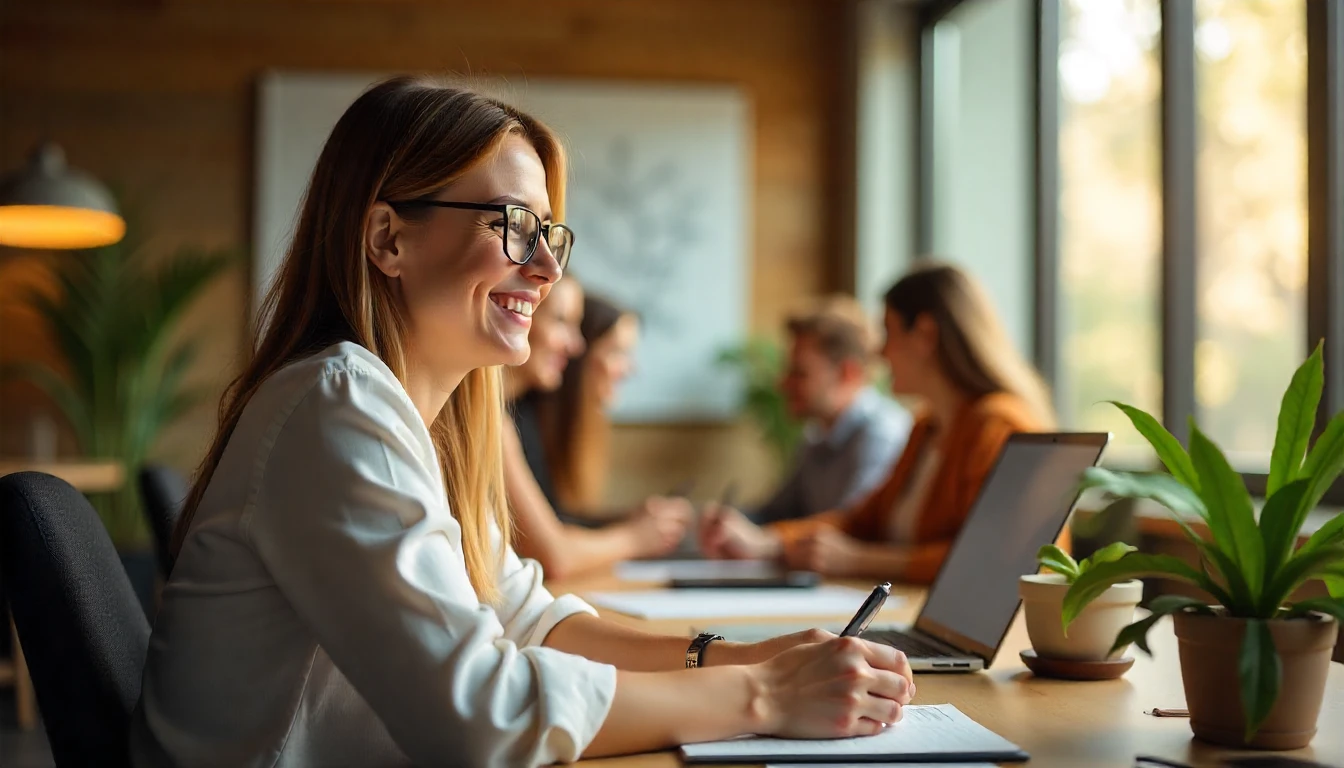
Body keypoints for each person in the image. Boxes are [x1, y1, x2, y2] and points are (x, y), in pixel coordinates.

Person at [134, 77, 914, 768]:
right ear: (388, 239)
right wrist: (764, 696)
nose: (545, 268)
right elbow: (484, 716)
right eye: (511, 224)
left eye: (550, 234)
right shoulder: (336, 408)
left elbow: (529, 618)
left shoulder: (416, 419)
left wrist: (740, 657)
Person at [700, 263, 1055, 584]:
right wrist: (771, 542)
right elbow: (861, 521)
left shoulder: (1001, 424)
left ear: (926, 335)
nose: (879, 353)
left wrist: (860, 561)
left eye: (888, 332)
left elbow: (989, 561)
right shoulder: (926, 427)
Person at [504, 283, 691, 579]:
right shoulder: (508, 418)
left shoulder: (523, 418)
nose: (629, 369)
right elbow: (552, 551)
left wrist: (628, 522)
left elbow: (555, 520)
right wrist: (635, 537)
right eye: (617, 352)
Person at [749, 295, 911, 524]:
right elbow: (773, 513)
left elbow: (852, 525)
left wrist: (771, 542)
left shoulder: (882, 435)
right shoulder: (815, 438)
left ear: (847, 373)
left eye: (799, 373)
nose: (783, 384)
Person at [533, 294, 641, 516]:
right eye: (616, 352)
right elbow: (551, 542)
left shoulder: (580, 430)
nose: (630, 369)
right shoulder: (522, 423)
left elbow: (568, 519)